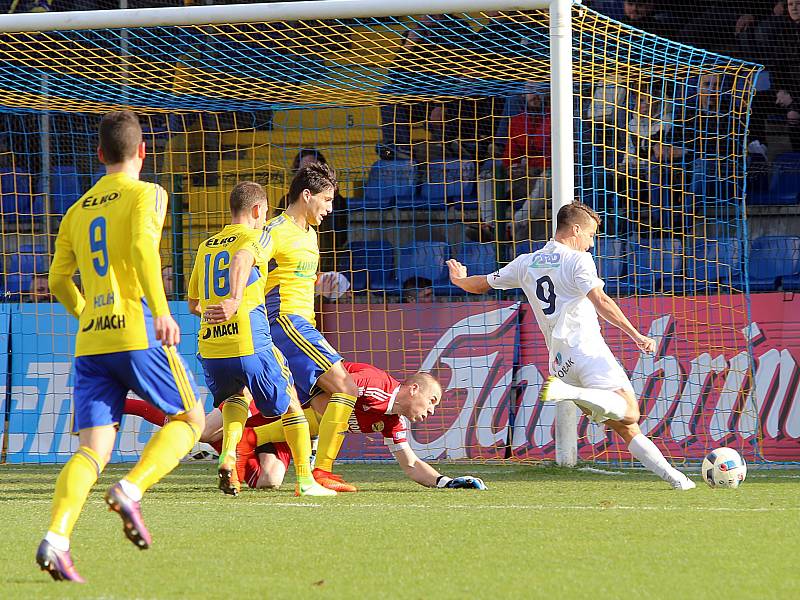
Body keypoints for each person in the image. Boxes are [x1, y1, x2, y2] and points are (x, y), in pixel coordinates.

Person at [37, 110, 206, 583]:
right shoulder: (148, 193)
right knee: (191, 418)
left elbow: (57, 280)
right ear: (143, 152)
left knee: (92, 451)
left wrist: (87, 314)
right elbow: (139, 249)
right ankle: (131, 490)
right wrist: (161, 311)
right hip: (136, 331)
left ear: (99, 154)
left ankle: (57, 538)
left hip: (91, 340)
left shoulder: (77, 210)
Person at [447, 200, 695, 490]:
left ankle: (678, 480)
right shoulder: (577, 260)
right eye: (590, 236)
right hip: (587, 350)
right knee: (630, 412)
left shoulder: (526, 262)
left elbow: (482, 284)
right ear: (575, 229)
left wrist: (460, 280)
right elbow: (600, 300)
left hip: (560, 363)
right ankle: (571, 393)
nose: (591, 244)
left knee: (626, 427)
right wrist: (636, 335)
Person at [206, 163, 360, 493]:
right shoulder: (274, 231)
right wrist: (234, 300)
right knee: (346, 388)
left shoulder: (310, 234)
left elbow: (289, 277)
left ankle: (239, 451)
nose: (330, 209)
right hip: (285, 323)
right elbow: (244, 257)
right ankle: (319, 473)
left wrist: (322, 284)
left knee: (322, 410)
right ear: (306, 195)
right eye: (328, 200)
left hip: (300, 324)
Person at [187, 181, 333, 497]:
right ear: (256, 210)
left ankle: (227, 454)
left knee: (235, 398)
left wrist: (217, 314)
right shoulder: (258, 236)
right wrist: (234, 301)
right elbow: (242, 258)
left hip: (211, 346)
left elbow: (194, 304)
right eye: (264, 213)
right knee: (293, 405)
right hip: (250, 340)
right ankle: (307, 481)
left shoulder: (207, 245)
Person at [222, 362, 486, 492]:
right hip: (275, 402)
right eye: (432, 401)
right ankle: (226, 444)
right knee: (209, 429)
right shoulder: (375, 385)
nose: (432, 410)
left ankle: (243, 449)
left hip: (293, 433)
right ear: (414, 389)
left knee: (270, 480)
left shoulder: (392, 420)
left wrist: (447, 483)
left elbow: (411, 464)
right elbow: (322, 399)